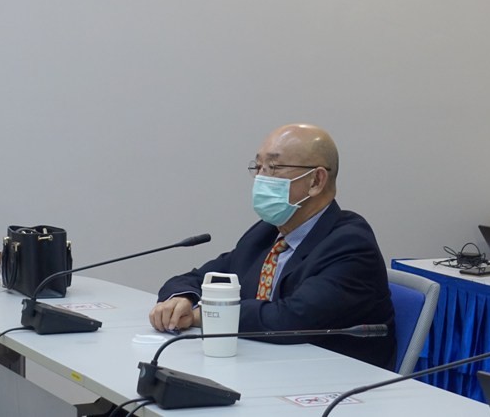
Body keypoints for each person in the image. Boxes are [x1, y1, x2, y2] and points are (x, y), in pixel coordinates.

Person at [149, 124, 396, 369]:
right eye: (258, 167)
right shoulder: (267, 233)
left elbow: (290, 319)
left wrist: (204, 315)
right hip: (264, 368)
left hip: (333, 379)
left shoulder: (351, 244)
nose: (260, 178)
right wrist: (182, 299)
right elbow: (202, 278)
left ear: (316, 180)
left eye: (273, 167)